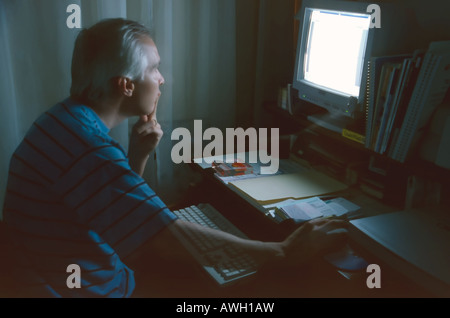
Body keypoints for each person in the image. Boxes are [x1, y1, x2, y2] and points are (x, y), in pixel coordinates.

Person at [2, 18, 348, 298]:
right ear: (126, 85)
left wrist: (136, 156)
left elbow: (115, 213)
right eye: (154, 69)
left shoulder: (62, 121)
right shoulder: (89, 147)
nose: (161, 79)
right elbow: (164, 238)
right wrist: (282, 252)